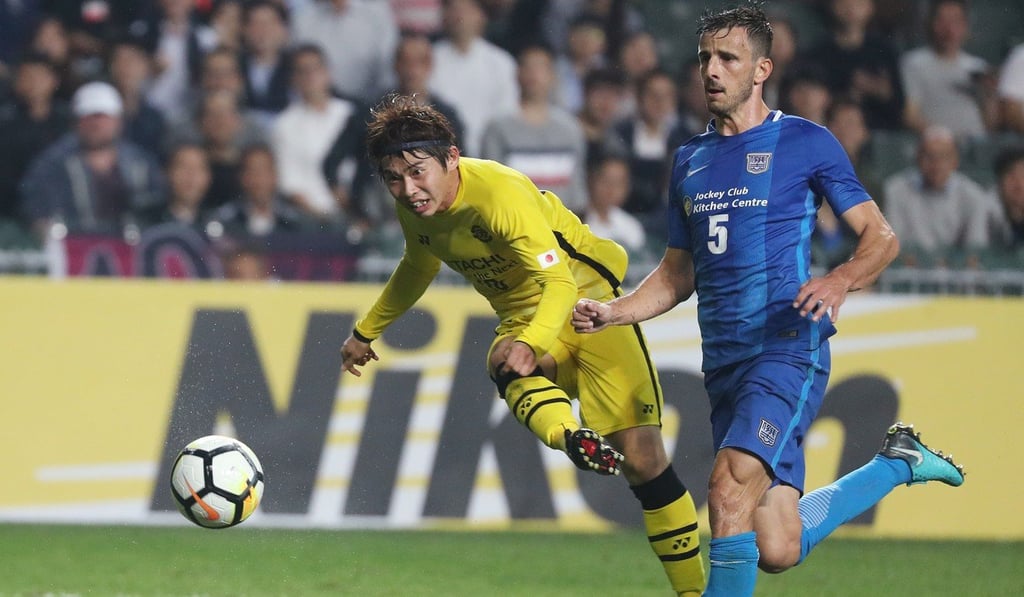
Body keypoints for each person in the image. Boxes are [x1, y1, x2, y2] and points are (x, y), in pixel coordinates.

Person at [571, 7, 965, 597]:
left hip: (786, 347)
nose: (711, 69)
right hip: (725, 363)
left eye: (727, 58)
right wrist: (615, 310)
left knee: (729, 487)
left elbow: (881, 238)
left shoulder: (805, 141)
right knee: (776, 547)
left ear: (762, 69)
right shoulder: (689, 161)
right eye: (705, 57)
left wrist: (838, 281)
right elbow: (679, 273)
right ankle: (899, 462)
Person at [339, 94, 706, 596]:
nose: (408, 189)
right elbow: (417, 265)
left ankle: (695, 593)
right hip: (523, 311)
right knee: (503, 364)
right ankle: (572, 440)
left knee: (644, 461)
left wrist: (531, 341)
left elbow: (559, 286)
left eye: (418, 173)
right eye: (394, 179)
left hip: (590, 302)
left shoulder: (499, 193)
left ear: (451, 157)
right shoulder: (418, 208)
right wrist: (366, 331)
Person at [479, 42, 588, 214]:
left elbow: (576, 192)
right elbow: (491, 190)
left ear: (552, 75)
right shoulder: (498, 128)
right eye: (528, 67)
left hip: (561, 231)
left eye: (541, 67)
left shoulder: (570, 129)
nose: (534, 74)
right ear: (517, 74)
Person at [882, 125, 993, 267]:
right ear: (917, 158)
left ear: (955, 161)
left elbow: (975, 250)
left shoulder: (973, 196)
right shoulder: (896, 190)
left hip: (957, 275)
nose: (937, 164)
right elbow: (892, 245)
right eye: (929, 156)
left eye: (944, 157)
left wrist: (949, 266)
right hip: (909, 273)